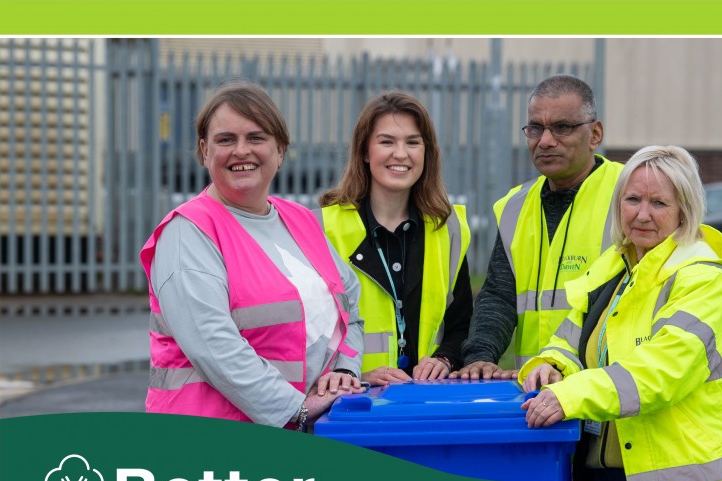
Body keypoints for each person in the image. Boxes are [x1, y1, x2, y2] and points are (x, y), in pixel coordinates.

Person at [520, 145, 722, 481]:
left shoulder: (702, 281)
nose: (642, 215)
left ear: (684, 213)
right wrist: (552, 363)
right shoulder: (613, 270)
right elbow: (572, 340)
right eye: (632, 200)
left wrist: (572, 394)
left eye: (658, 203)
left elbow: (660, 371)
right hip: (602, 475)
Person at [140, 79, 365, 431]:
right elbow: (213, 344)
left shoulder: (301, 221)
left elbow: (348, 309)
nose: (241, 150)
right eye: (225, 140)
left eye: (256, 138)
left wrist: (343, 374)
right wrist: (298, 409)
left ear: (280, 151)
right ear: (204, 151)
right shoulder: (188, 232)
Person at [452, 74, 624, 379]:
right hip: (537, 395)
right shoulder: (514, 208)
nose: (545, 141)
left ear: (595, 134)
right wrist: (480, 355)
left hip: (610, 396)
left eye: (561, 128)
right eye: (535, 128)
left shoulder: (630, 195)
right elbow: (499, 296)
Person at [316, 91, 473, 384]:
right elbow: (304, 337)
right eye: (386, 141)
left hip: (425, 407)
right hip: (348, 406)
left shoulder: (447, 228)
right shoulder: (322, 228)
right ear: (364, 151)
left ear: (427, 152)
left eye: (412, 142)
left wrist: (445, 359)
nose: (400, 154)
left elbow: (461, 326)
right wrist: (355, 375)